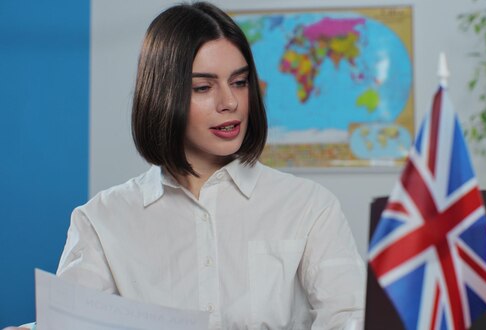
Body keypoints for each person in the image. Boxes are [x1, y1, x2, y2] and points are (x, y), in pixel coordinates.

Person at [5, 2, 365, 329]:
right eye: (203, 88)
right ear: (162, 95)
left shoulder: (309, 206)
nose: (230, 103)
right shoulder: (102, 219)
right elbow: (68, 327)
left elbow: (350, 318)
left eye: (239, 83)